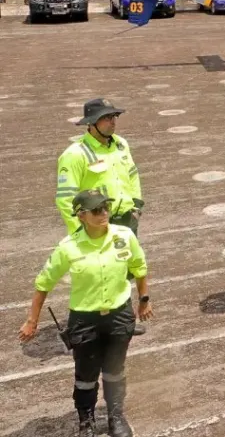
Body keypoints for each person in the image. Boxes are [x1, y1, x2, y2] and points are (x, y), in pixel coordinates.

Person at [19, 190, 152, 437]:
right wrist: (31, 321)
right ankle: (86, 421)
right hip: (85, 319)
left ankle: (116, 416)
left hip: (119, 315)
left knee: (115, 369)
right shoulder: (68, 247)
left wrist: (144, 300)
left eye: (106, 208)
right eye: (96, 210)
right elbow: (43, 283)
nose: (104, 213)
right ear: (81, 216)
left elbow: (138, 266)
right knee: (86, 375)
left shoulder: (123, 236)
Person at [57, 98, 147, 335]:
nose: (112, 122)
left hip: (124, 219)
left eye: (114, 117)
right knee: (95, 274)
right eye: (106, 118)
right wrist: (80, 229)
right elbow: (65, 199)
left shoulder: (121, 145)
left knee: (123, 269)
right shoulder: (75, 155)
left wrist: (136, 206)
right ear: (91, 124)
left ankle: (123, 319)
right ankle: (86, 325)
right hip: (95, 224)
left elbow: (132, 175)